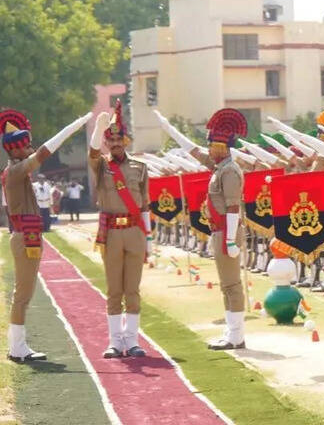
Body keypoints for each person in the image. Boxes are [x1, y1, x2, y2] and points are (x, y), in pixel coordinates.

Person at [1, 108, 92, 362]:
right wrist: (76, 124)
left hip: (27, 235)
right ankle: (17, 348)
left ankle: (17, 346)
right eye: (25, 145)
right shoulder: (16, 171)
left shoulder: (16, 170)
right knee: (23, 294)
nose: (30, 148)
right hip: (24, 237)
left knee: (24, 293)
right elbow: (44, 152)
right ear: (14, 149)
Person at [156, 107, 250, 349]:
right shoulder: (220, 167)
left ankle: (236, 335)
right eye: (212, 147)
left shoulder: (229, 171)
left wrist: (230, 240)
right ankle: (232, 332)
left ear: (226, 148)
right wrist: (169, 129)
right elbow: (194, 151)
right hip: (219, 231)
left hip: (226, 232)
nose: (213, 151)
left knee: (232, 284)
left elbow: (232, 207)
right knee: (226, 285)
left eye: (218, 147)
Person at [87, 102, 152, 358]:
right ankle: (115, 341)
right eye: (109, 139)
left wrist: (149, 240)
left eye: (118, 139)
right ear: (106, 143)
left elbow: (145, 205)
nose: (114, 143)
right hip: (111, 232)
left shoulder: (140, 168)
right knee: (114, 289)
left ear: (125, 141)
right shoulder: (101, 166)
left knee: (133, 290)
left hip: (135, 230)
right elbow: (92, 152)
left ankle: (133, 340)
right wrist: (98, 128)